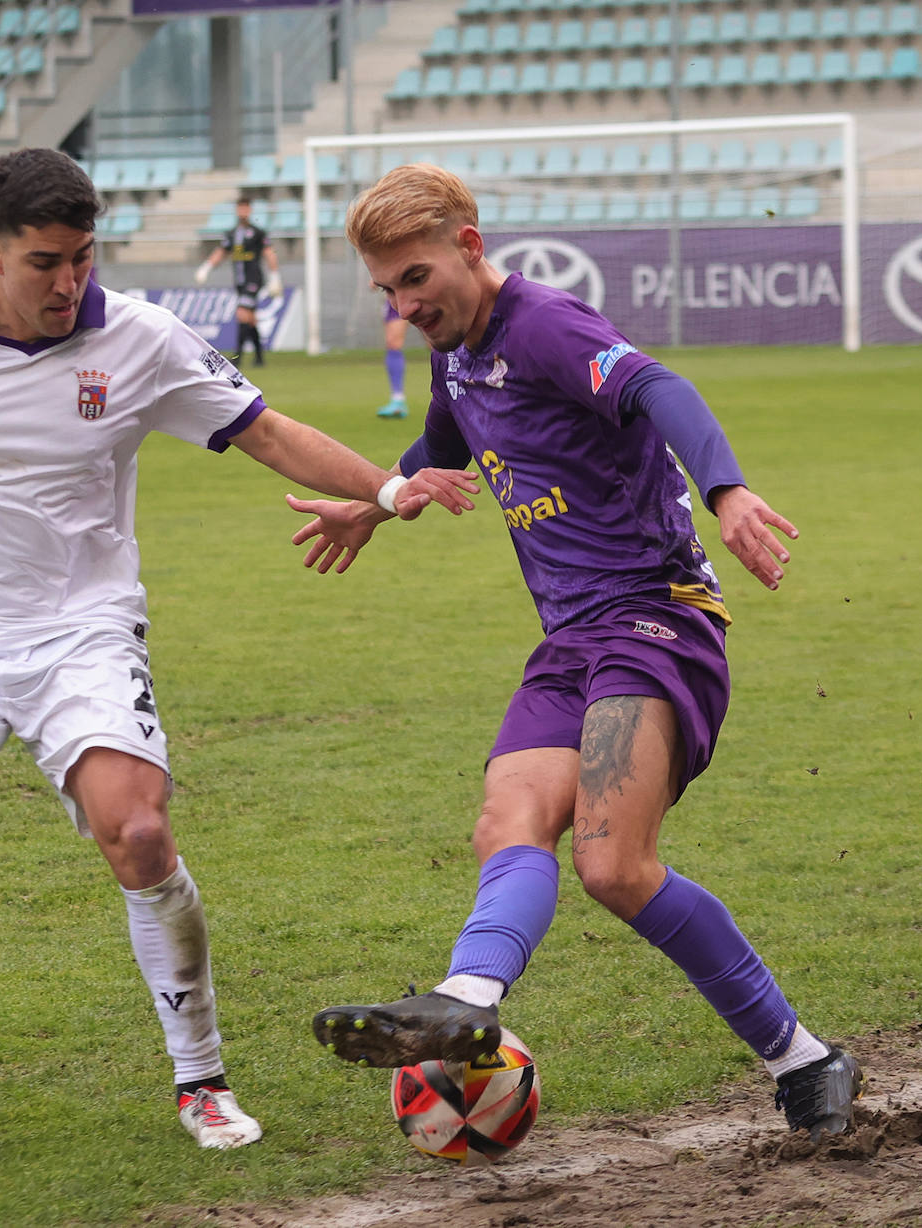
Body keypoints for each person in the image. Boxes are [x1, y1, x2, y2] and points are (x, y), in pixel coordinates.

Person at [0, 147, 475, 1159]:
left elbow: (265, 431)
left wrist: (387, 488)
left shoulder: (141, 339)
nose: (69, 283)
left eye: (82, 258)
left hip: (84, 631)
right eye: (45, 263)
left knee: (139, 834)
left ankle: (201, 1077)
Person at [290, 163, 865, 1143]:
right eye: (388, 289)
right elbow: (439, 447)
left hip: (656, 622)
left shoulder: (544, 325)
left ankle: (800, 1055)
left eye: (416, 276)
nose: (404, 302)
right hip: (569, 645)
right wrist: (378, 502)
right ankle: (465, 999)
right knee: (505, 819)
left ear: (470, 248)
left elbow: (658, 387)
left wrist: (726, 491)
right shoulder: (457, 355)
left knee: (612, 862)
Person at [194, 196, 282, 367]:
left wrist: (275, 277)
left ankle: (238, 357)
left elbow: (269, 253)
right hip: (240, 281)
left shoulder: (257, 232)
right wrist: (206, 267)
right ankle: (259, 358)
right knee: (250, 319)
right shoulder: (232, 233)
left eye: (245, 208)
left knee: (242, 314)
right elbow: (221, 252)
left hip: (253, 280)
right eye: (240, 208)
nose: (243, 211)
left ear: (250, 210)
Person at [376, 301, 407, 419]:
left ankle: (457, 393)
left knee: (439, 344)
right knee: (393, 343)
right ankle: (398, 400)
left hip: (422, 291)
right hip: (397, 297)